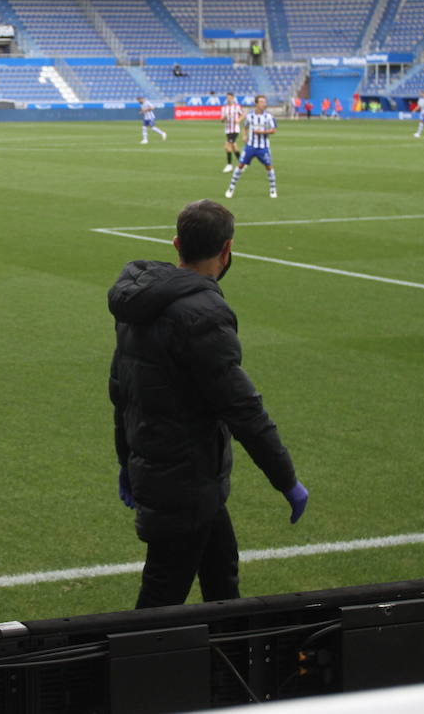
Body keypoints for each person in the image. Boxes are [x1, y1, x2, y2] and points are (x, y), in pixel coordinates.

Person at [108, 199, 308, 609]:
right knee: (161, 602)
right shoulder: (202, 313)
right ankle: (139, 673)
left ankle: (227, 664)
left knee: (222, 574)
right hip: (185, 478)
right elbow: (241, 407)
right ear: (227, 250)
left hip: (171, 471)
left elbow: (122, 389)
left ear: (176, 243)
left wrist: (126, 459)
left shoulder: (138, 301)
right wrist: (285, 478)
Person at [225, 94, 278, 199]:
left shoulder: (269, 116)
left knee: (268, 166)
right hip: (250, 146)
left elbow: (273, 130)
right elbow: (245, 126)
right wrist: (244, 135)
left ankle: (273, 189)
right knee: (240, 165)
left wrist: (262, 131)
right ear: (256, 103)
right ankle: (231, 188)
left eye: (265, 102)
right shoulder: (250, 116)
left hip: (263, 147)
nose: (264, 104)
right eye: (262, 102)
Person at [221, 92, 243, 173]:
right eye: (227, 97)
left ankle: (229, 165)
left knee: (227, 145)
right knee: (234, 146)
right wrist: (224, 118)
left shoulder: (237, 107)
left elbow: (242, 114)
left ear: (233, 98)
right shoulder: (224, 108)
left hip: (235, 130)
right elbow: (222, 120)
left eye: (230, 97)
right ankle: (242, 163)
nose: (228, 99)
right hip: (227, 130)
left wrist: (238, 120)